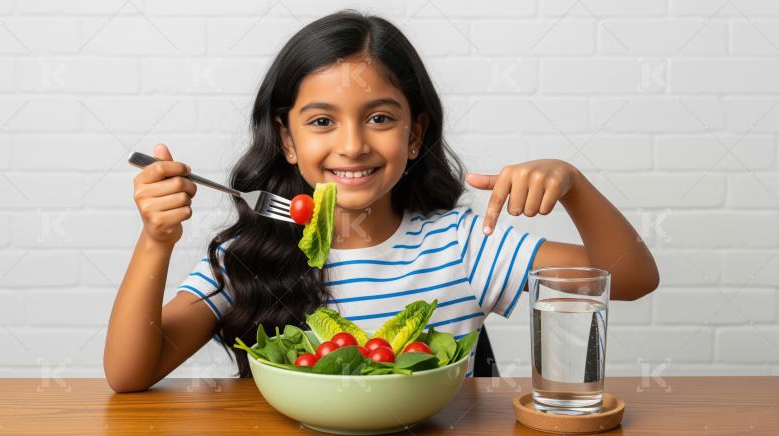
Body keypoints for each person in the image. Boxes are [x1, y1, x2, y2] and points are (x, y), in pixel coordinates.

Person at [104, 10, 659, 392]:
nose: (352, 144)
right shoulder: (250, 253)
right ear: (288, 140)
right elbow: (130, 373)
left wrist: (575, 185)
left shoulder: (461, 245)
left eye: (380, 118)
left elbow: (631, 278)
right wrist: (156, 240)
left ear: (414, 136)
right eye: (322, 121)